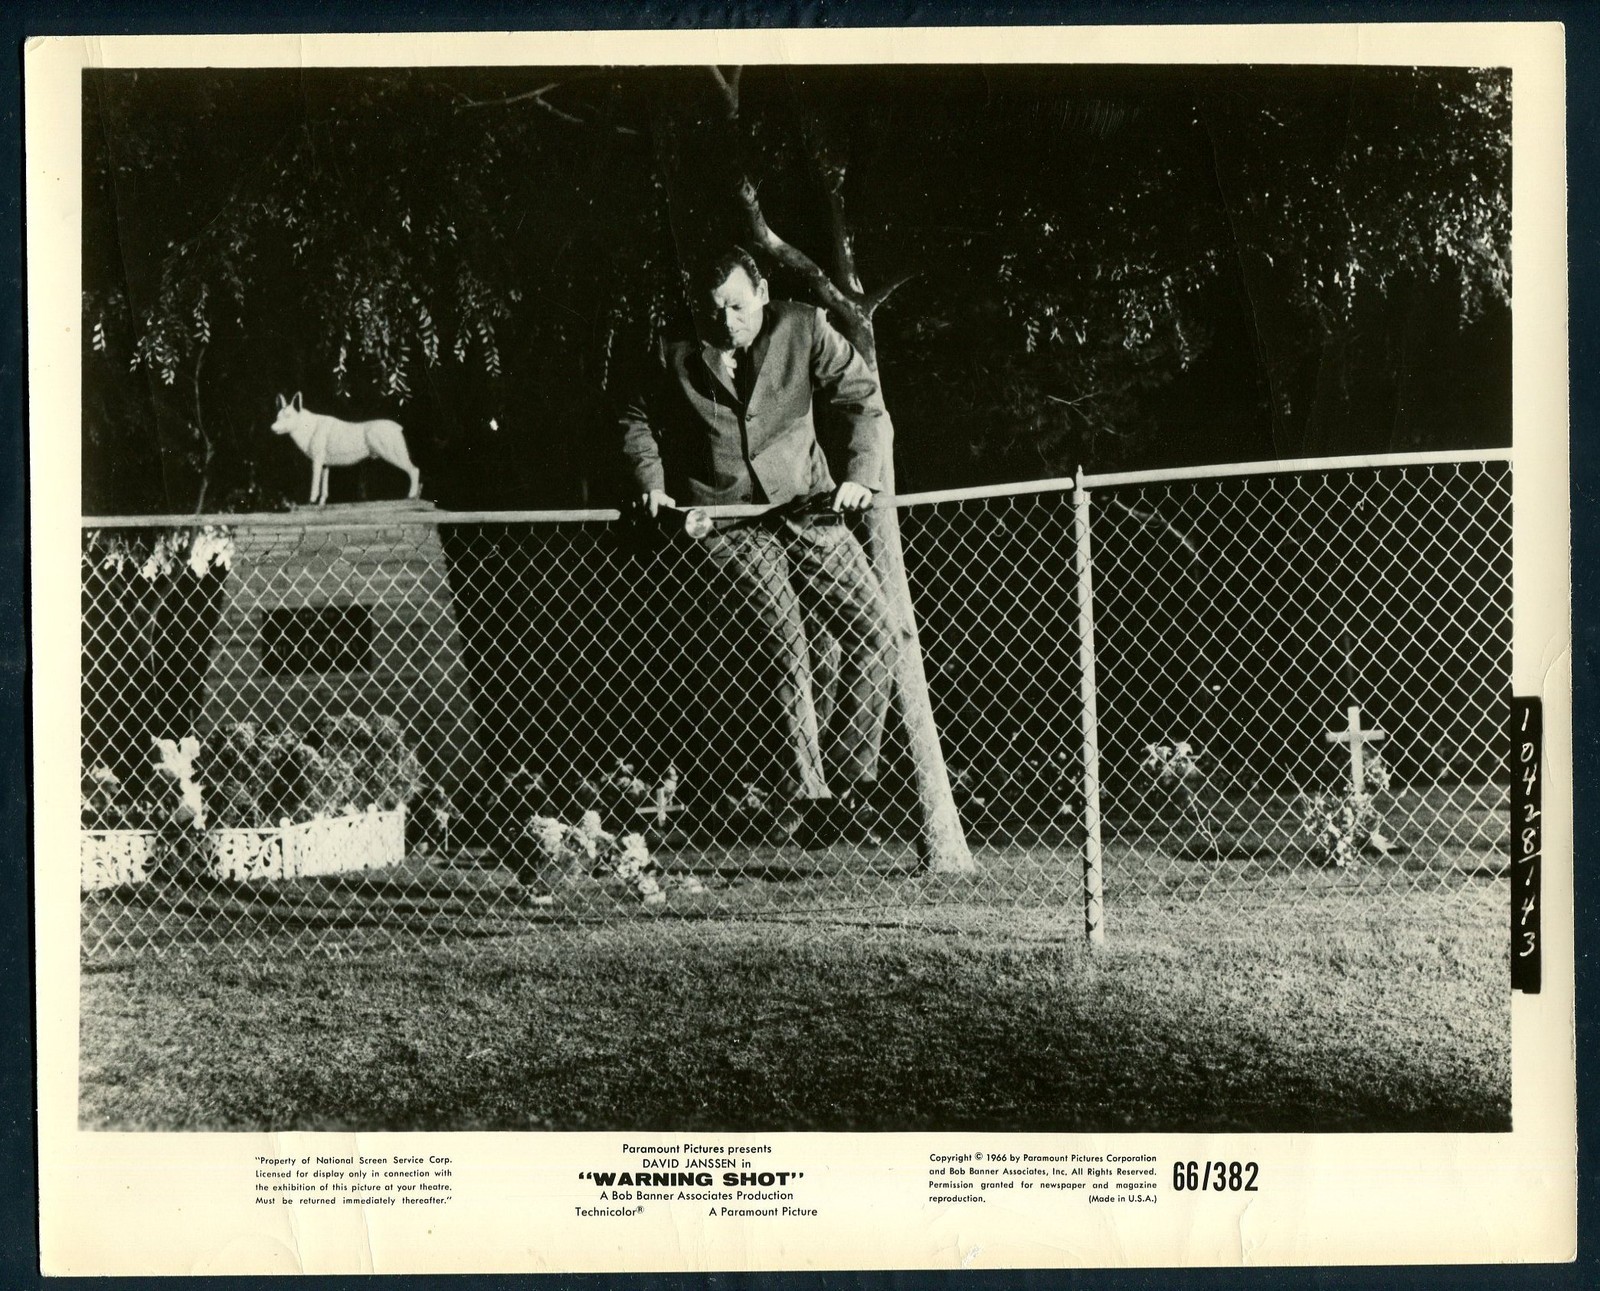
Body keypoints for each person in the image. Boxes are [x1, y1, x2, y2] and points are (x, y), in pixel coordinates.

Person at [620, 247, 893, 846]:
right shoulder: (670, 351)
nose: (726, 322)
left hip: (808, 504)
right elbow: (636, 418)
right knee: (787, 644)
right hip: (728, 522)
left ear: (763, 293)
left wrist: (860, 476)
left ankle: (847, 785)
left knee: (878, 632)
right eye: (713, 311)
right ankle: (808, 796)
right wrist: (652, 484)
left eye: (738, 308)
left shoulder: (805, 326)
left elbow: (861, 397)